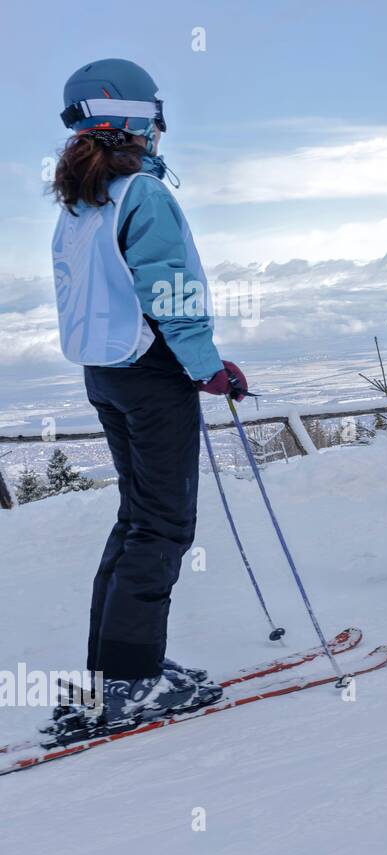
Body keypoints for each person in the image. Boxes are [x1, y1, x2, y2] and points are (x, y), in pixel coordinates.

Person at [46, 59, 235, 739]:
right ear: (128, 118)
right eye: (153, 115)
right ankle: (131, 682)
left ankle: (113, 673)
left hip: (107, 372)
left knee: (136, 520)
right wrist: (208, 367)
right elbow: (171, 291)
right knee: (162, 528)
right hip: (152, 375)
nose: (159, 128)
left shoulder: (80, 202)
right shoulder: (141, 196)